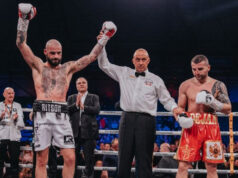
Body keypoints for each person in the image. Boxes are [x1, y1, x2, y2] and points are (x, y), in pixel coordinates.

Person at [16, 3, 116, 178]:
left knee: (70, 158)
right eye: (53, 53)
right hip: (43, 113)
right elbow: (21, 43)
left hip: (62, 115)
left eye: (59, 53)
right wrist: (23, 20)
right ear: (46, 52)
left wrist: (104, 38)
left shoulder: (68, 68)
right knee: (41, 160)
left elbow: (91, 57)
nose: (56, 56)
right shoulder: (38, 66)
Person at [97, 36, 182, 177]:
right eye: (138, 59)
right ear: (133, 60)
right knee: (123, 160)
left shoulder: (156, 79)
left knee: (144, 161)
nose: (141, 62)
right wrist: (102, 43)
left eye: (143, 59)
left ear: (148, 60)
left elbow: (166, 100)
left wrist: (174, 108)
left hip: (146, 121)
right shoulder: (124, 72)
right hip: (127, 119)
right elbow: (104, 64)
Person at [174, 55, 232, 178]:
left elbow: (228, 109)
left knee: (211, 167)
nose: (196, 72)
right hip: (191, 127)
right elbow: (180, 108)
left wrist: (213, 102)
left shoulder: (217, 85)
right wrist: (181, 117)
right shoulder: (185, 85)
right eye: (194, 69)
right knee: (183, 165)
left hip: (211, 127)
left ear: (208, 67)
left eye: (200, 69)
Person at [68, 77, 100, 178]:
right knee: (72, 159)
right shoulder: (71, 98)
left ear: (87, 84)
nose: (81, 84)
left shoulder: (93, 97)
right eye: (79, 83)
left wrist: (83, 107)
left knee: (89, 160)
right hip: (74, 133)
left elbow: (97, 109)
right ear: (76, 86)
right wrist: (76, 105)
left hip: (90, 132)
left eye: (83, 83)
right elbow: (66, 110)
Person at [0, 87, 25, 178]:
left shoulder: (18, 106)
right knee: (0, 161)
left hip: (14, 136)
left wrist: (16, 119)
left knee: (14, 161)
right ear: (4, 94)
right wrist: (1, 117)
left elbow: (21, 122)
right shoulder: (0, 105)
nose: (11, 95)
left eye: (12, 93)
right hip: (2, 136)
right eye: (9, 93)